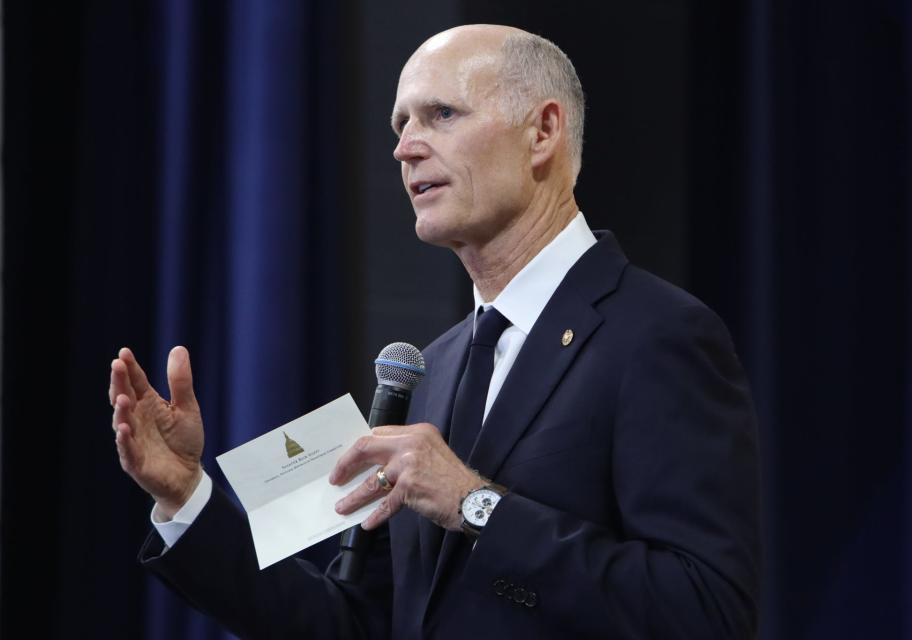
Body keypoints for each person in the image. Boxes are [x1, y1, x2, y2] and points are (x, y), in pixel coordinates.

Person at [110, 24, 760, 639]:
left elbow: (705, 610)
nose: (404, 146)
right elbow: (355, 623)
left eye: (441, 115)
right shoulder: (429, 371)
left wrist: (477, 505)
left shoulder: (657, 335)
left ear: (542, 131)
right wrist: (188, 499)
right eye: (400, 124)